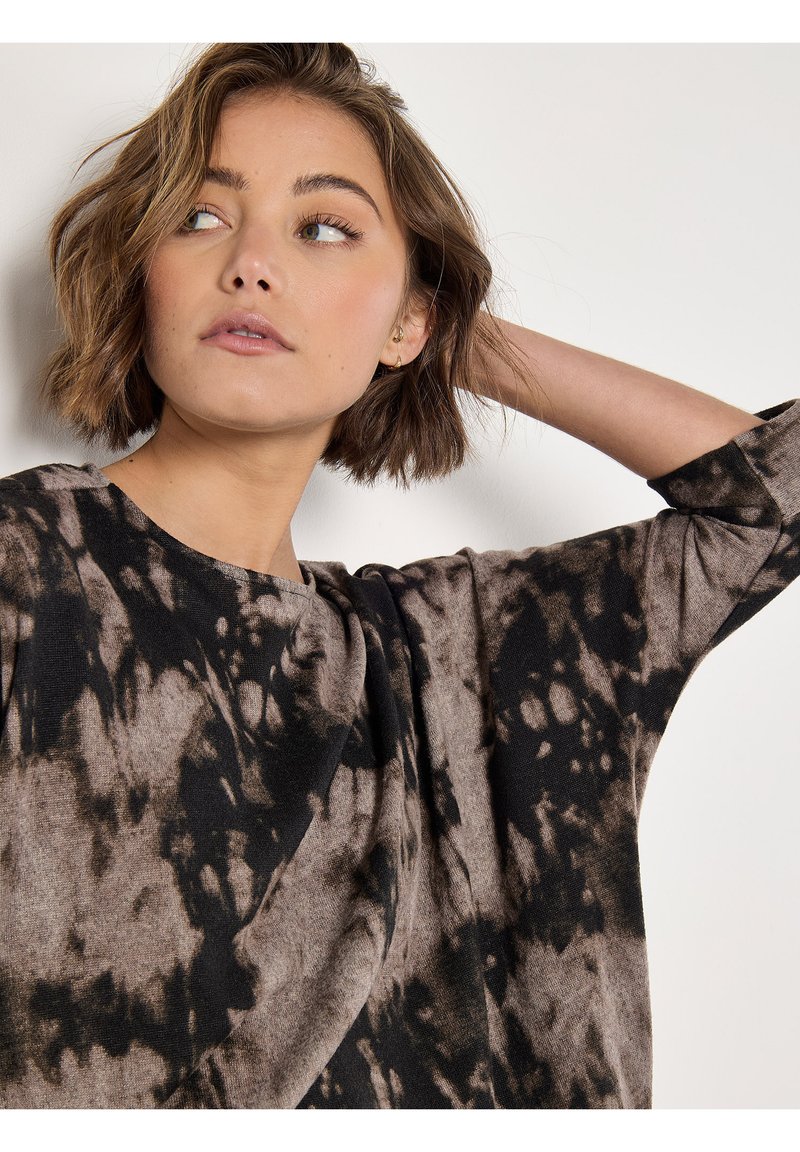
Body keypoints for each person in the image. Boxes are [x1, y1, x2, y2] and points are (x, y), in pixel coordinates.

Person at [0, 42, 797, 1110]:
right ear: (141, 274)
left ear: (411, 318)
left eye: (324, 228)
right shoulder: (28, 563)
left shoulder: (461, 653)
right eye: (199, 216)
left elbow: (772, 502)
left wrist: (440, 331)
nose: (251, 263)